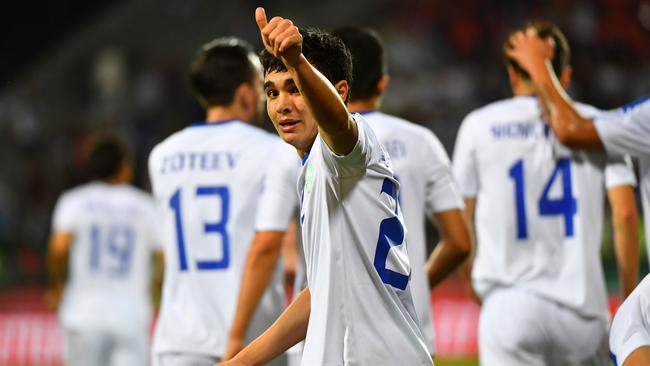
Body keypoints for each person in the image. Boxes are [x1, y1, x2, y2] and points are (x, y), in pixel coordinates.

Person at [219, 8, 433, 365]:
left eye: (296, 89)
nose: (282, 105)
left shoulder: (347, 146)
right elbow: (320, 293)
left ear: (341, 92)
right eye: (271, 93)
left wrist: (298, 62)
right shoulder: (314, 168)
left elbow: (338, 125)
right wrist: (239, 362)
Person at [453, 21, 639, 366]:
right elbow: (625, 215)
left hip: (509, 303)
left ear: (512, 75)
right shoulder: (598, 124)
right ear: (565, 76)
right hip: (583, 313)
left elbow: (460, 220)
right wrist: (629, 301)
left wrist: (472, 284)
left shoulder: (478, 126)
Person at [506, 24, 650, 366]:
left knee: (631, 324)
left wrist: (538, 64)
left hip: (514, 298)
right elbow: (624, 213)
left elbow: (570, 129)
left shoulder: (477, 126)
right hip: (580, 306)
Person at [148, 37, 297, 366]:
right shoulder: (274, 152)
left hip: (176, 341)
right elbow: (265, 247)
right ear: (245, 92)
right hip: (250, 343)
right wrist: (235, 335)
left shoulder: (162, 156)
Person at [331, 25, 471, 356]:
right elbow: (460, 241)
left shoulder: (307, 145)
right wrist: (412, 285)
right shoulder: (420, 141)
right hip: (407, 332)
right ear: (383, 83)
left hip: (332, 332)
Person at [47, 134, 162, 366]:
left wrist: (58, 288)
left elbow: (59, 249)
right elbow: (162, 258)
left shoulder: (74, 201)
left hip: (84, 314)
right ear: (124, 166)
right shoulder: (146, 206)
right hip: (131, 315)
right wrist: (154, 295)